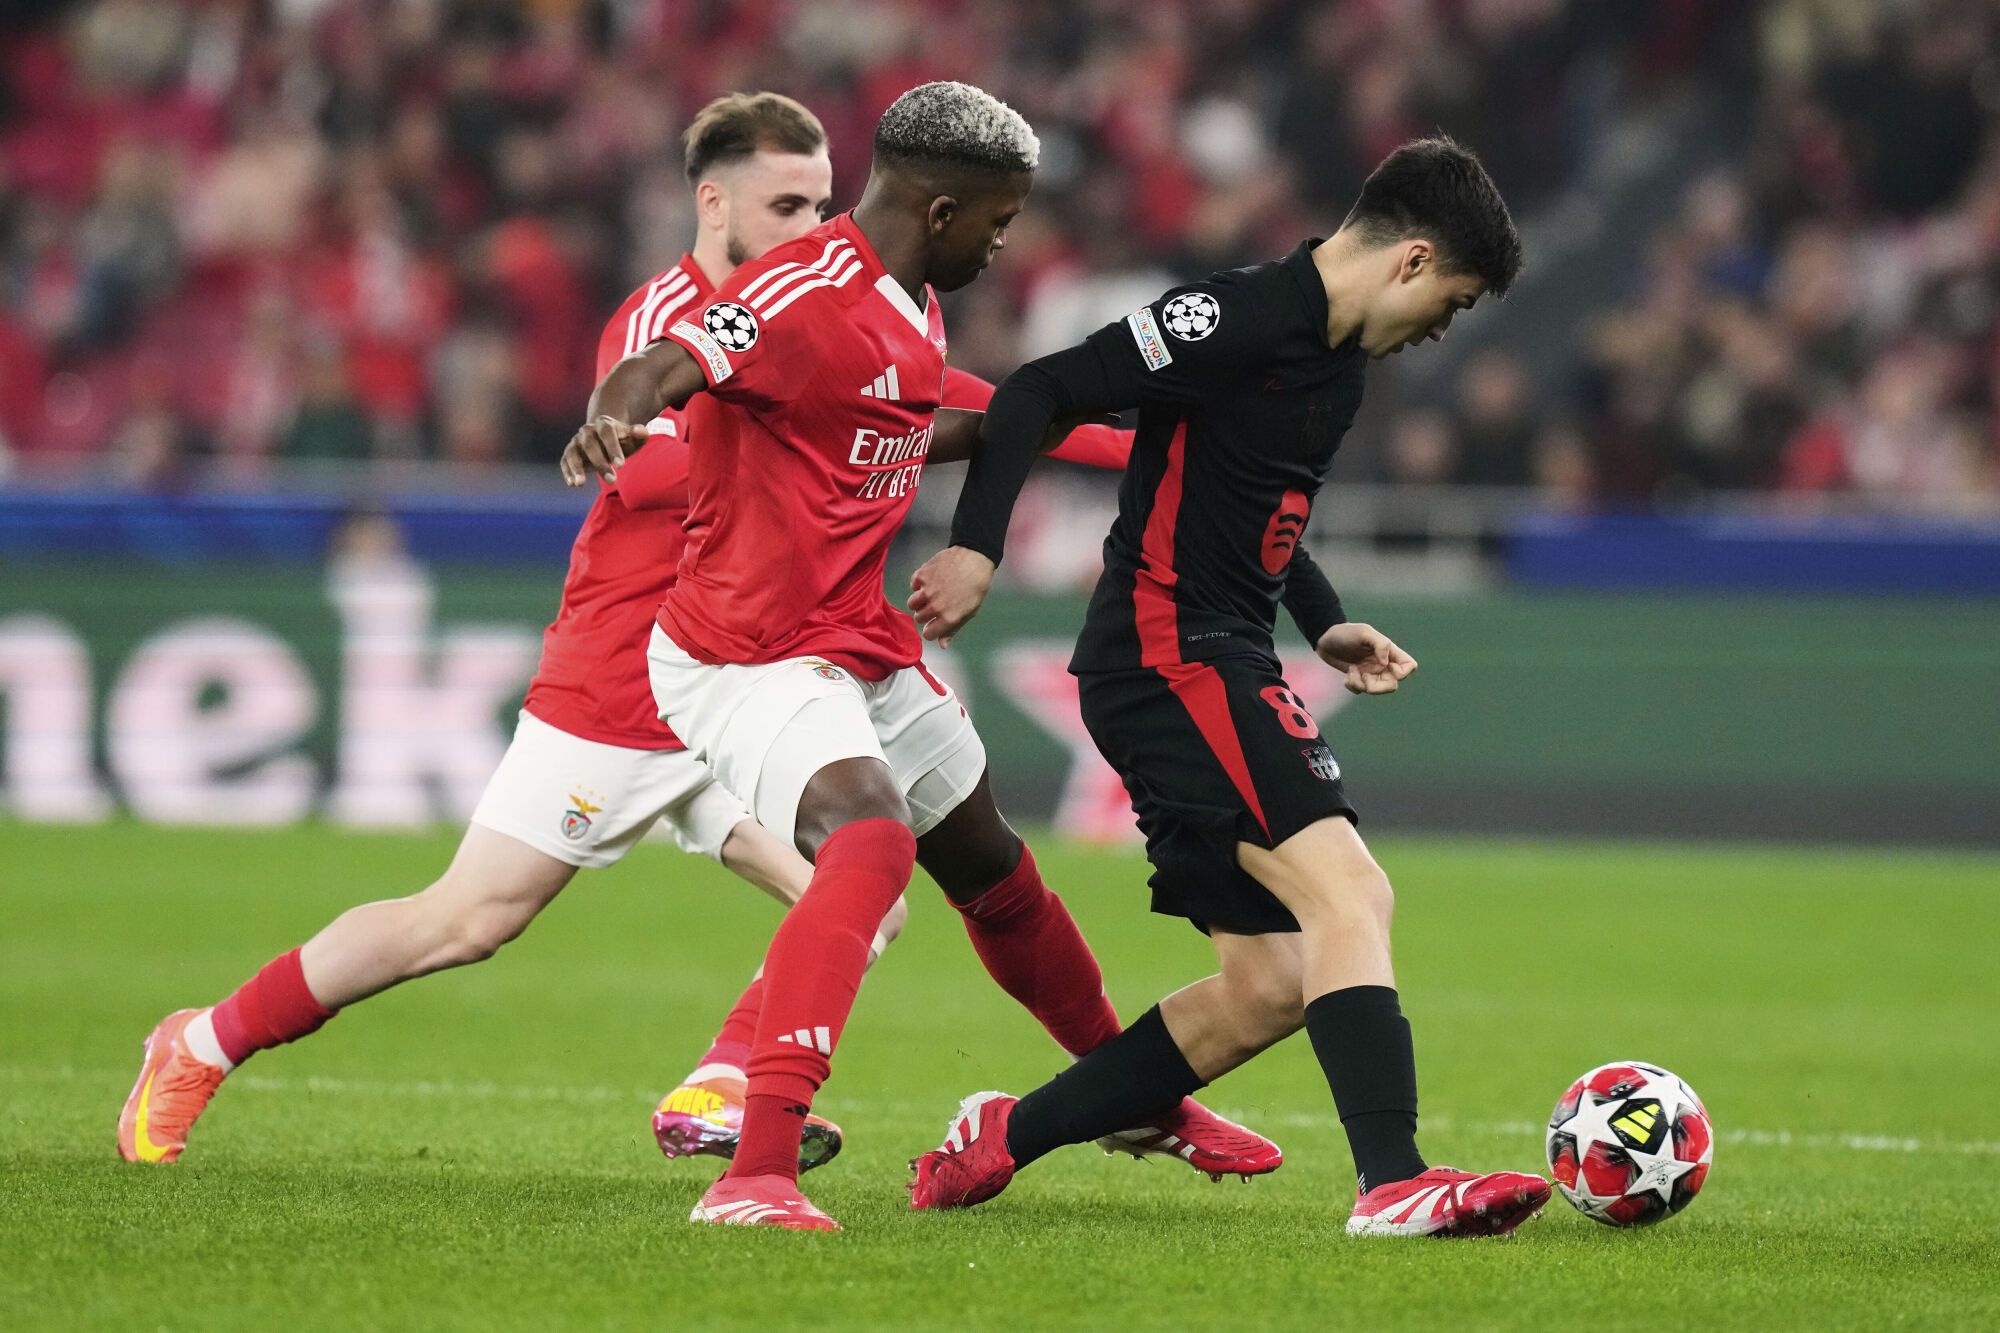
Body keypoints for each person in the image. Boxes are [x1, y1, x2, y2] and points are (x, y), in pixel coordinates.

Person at [112, 92, 1130, 1178]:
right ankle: (201, 1038)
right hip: (628, 680)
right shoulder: (672, 320)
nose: (809, 226)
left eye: (820, 203)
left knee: (860, 897)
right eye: (783, 204)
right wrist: (826, 437)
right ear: (712, 203)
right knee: (464, 919)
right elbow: (647, 465)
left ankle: (722, 1089)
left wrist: (1126, 435)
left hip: (771, 673)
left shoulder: (845, 306)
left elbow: (943, 398)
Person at [561, 81, 1277, 1233]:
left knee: (991, 867)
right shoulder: (797, 288)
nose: (1003, 243)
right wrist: (612, 412)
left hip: (853, 637)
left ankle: (1133, 1098)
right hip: (742, 650)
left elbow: (902, 419)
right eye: (995, 223)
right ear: (941, 211)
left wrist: (1108, 432)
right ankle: (753, 1171)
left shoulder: (911, 298)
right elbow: (668, 366)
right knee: (871, 839)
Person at [903, 136, 1553, 1239]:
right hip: (1166, 654)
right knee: (1352, 897)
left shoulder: (1337, 361)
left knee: (1271, 982)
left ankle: (1001, 1135)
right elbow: (1040, 391)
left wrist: (1324, 619)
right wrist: (977, 546)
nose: (1439, 330)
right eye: (1448, 303)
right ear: (1407, 260)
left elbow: (1255, 505)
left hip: (1221, 648)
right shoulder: (1234, 317)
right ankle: (1390, 1178)